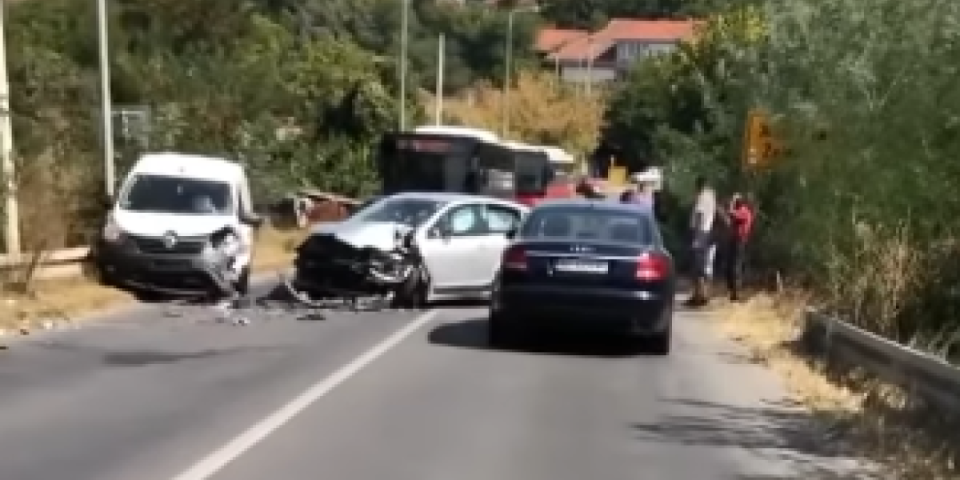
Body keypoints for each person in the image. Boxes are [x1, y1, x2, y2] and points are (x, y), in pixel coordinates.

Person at [686, 175, 717, 307]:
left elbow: (699, 215)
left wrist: (696, 238)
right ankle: (699, 295)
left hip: (700, 233)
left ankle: (700, 296)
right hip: (706, 232)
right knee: (702, 265)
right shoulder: (711, 196)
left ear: (699, 185)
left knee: (697, 266)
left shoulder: (702, 196)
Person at [723, 193, 754, 301]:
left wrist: (731, 203)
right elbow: (730, 219)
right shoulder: (740, 211)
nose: (735, 203)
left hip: (740, 240)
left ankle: (736, 293)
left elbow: (732, 213)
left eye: (736, 201)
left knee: (735, 266)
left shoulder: (744, 211)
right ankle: (733, 292)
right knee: (730, 266)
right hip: (735, 240)